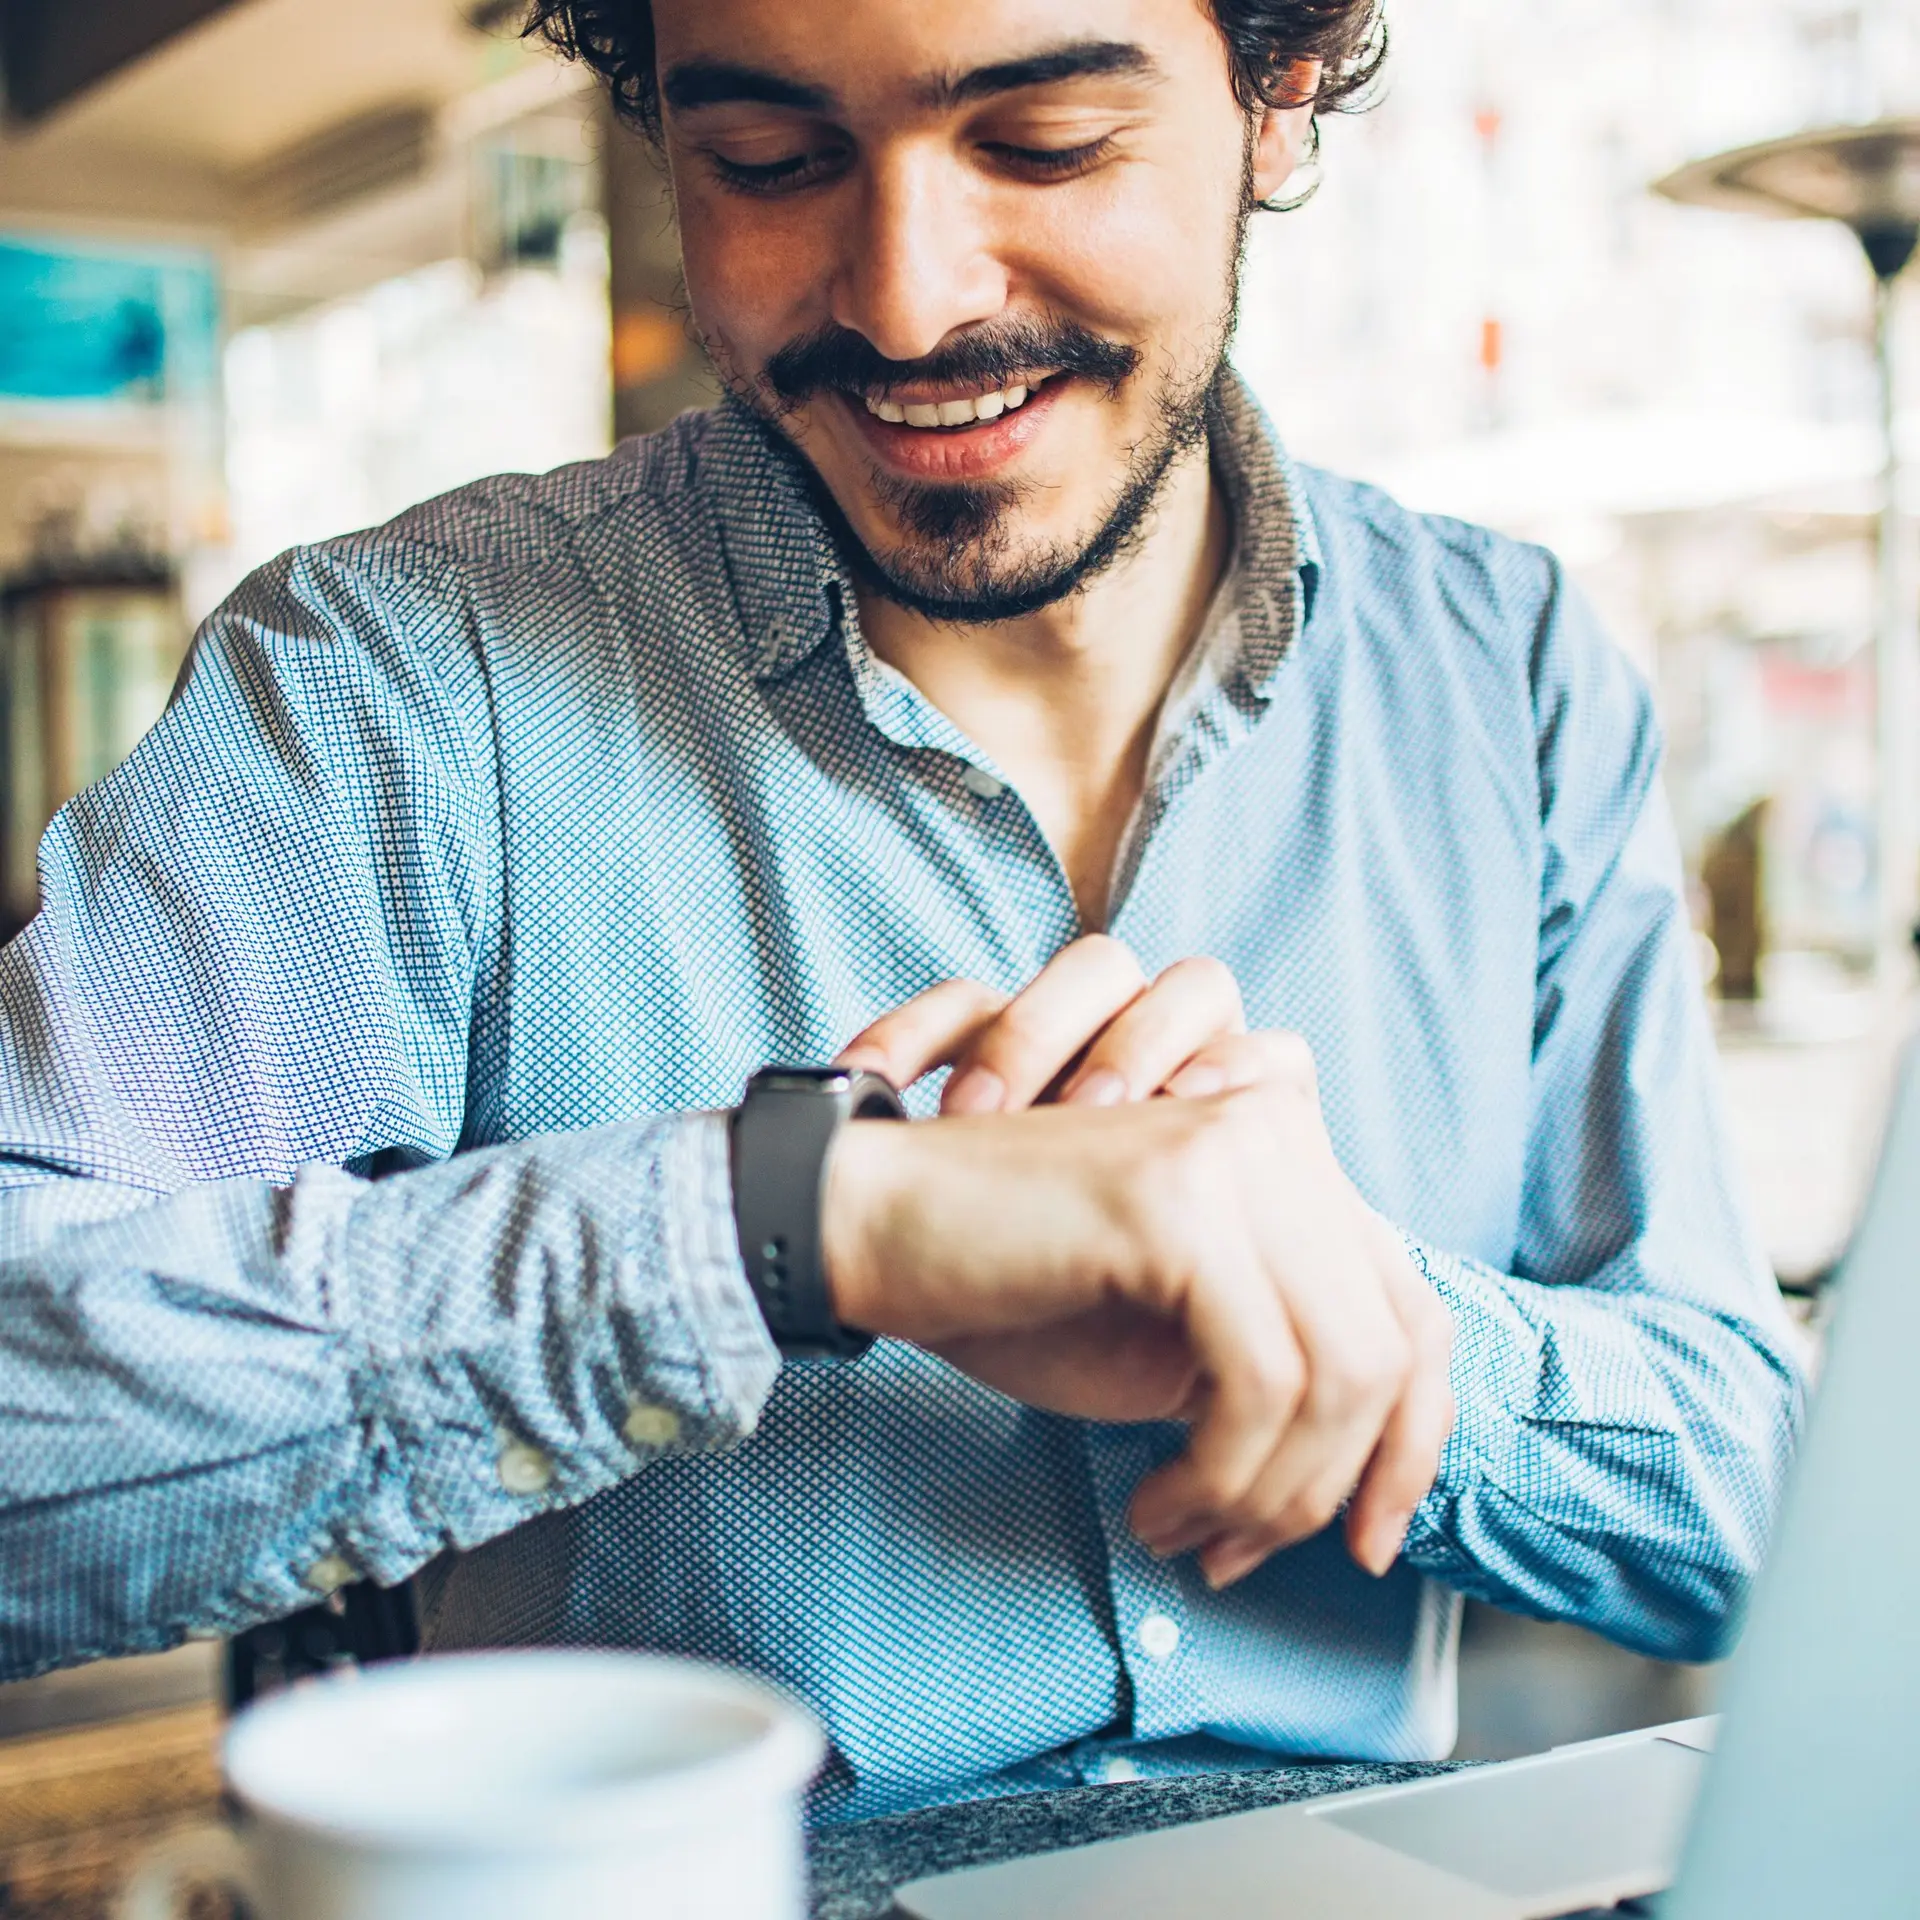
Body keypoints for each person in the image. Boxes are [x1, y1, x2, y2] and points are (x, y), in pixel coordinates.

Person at [0, 0, 1800, 1821]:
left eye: (1044, 143)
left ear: (1280, 88)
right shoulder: (394, 687)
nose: (906, 304)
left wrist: (1381, 1331)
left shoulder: (1513, 671)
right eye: (767, 164)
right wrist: (801, 1224)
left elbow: (1765, 1502)